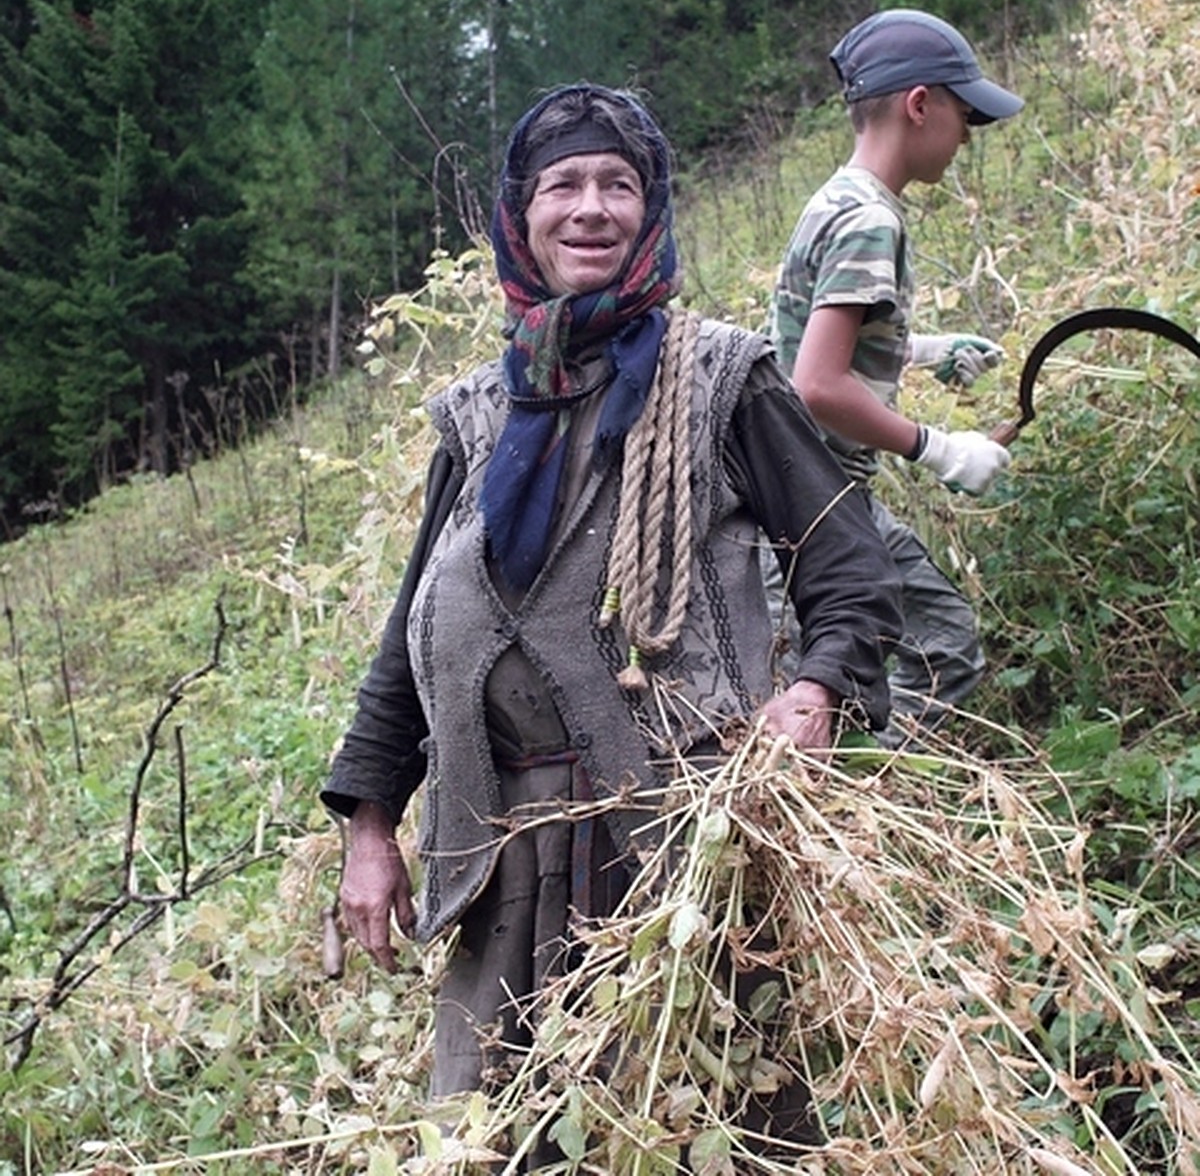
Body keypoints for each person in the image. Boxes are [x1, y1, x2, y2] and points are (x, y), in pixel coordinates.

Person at [321, 83, 903, 1153]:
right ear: (519, 215)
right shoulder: (476, 414)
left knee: (710, 1126)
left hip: (681, 853)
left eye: (617, 185)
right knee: (496, 1139)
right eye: (562, 186)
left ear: (653, 210)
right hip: (499, 858)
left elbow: (849, 565)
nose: (590, 208)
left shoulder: (723, 377)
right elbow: (413, 636)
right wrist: (368, 827)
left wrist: (816, 691)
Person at [767, 9, 1024, 740]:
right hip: (815, 496)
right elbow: (817, 384)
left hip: (802, 488)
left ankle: (859, 788)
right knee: (937, 651)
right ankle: (858, 800)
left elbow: (798, 347)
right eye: (964, 112)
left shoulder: (835, 200)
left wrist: (923, 348)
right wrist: (940, 449)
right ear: (920, 105)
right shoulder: (870, 221)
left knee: (925, 647)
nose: (969, 134)